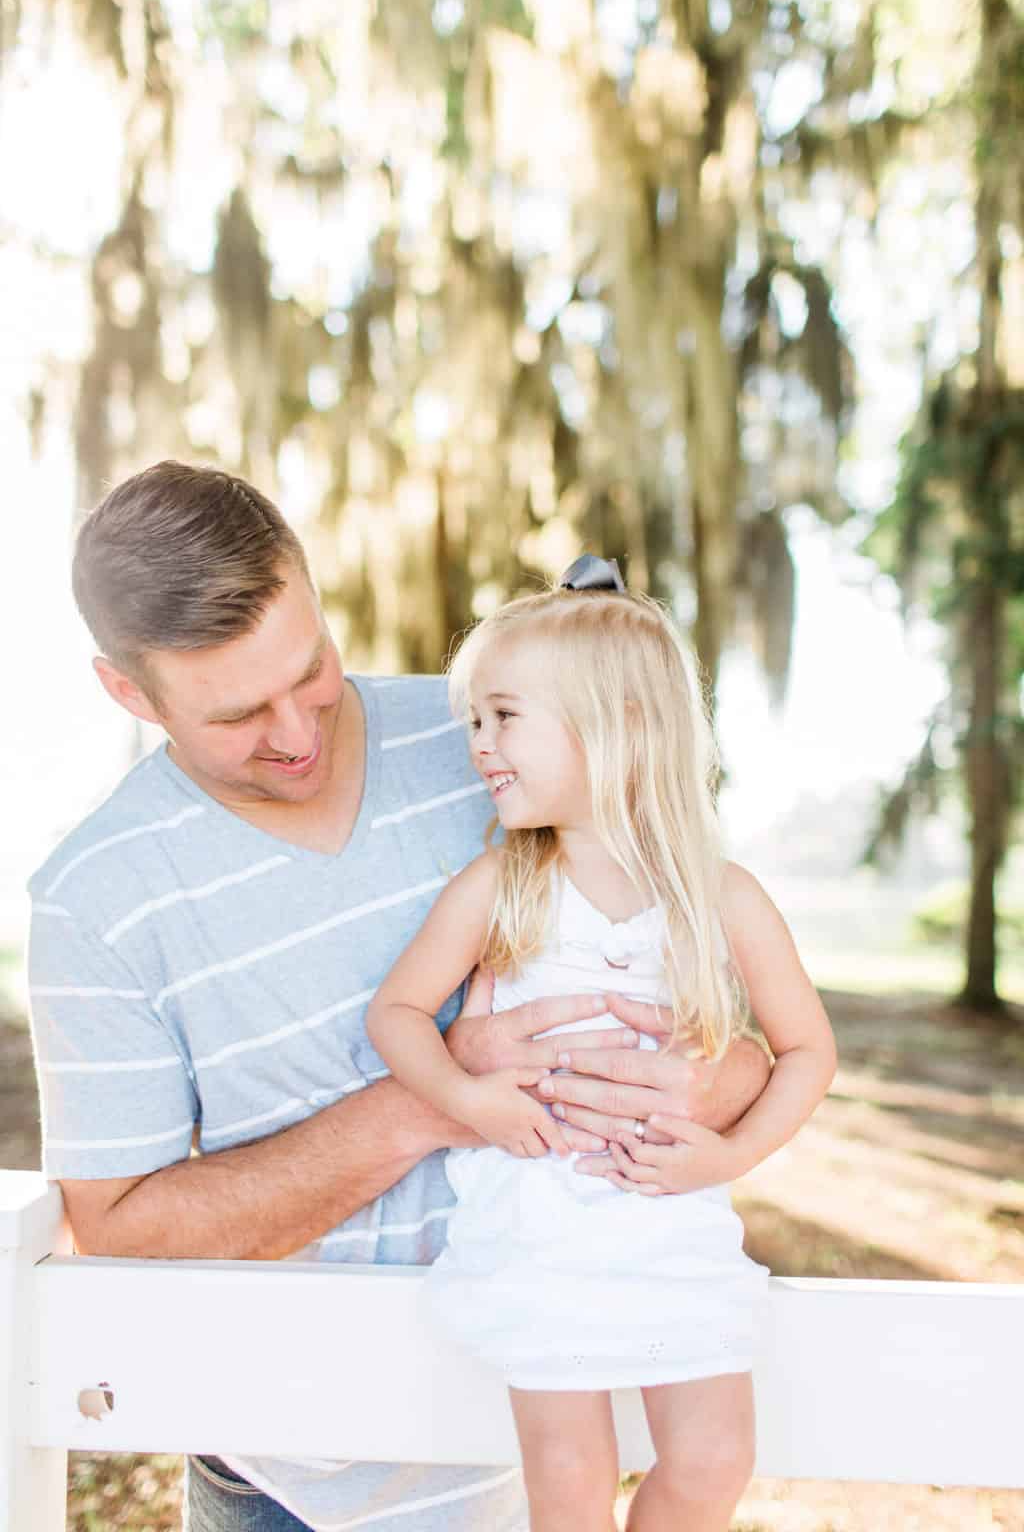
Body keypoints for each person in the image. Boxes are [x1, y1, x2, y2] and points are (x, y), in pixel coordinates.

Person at [28, 463, 772, 1532]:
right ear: (128, 693)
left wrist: (707, 1078)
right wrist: (434, 1096)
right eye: (238, 712)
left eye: (312, 668)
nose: (295, 731)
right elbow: (123, 1227)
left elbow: (719, 991)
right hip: (296, 1483)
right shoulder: (94, 900)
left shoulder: (500, 738)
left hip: (551, 1459)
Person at [366, 565, 837, 1532]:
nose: (480, 745)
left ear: (615, 720)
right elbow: (398, 1015)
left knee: (713, 1459)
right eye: (475, 723)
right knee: (570, 1480)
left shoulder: (722, 897)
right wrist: (472, 1100)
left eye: (504, 717)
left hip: (671, 1227)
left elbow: (806, 1053)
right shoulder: (502, 885)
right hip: (540, 1234)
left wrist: (731, 1154)